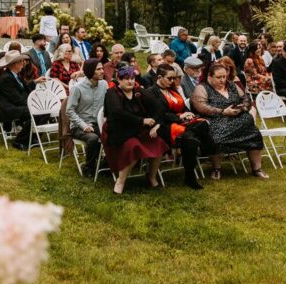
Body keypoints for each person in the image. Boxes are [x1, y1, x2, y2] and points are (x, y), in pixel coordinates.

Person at [142, 66, 216, 189]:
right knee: (191, 140)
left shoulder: (173, 90)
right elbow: (159, 114)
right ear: (159, 77)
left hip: (182, 122)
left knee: (202, 124)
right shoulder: (151, 92)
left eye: (174, 78)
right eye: (169, 78)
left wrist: (188, 114)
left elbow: (182, 106)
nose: (172, 81)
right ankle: (191, 175)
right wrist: (180, 117)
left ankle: (195, 142)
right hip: (164, 124)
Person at [191, 62, 268, 180]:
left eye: (224, 77)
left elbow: (245, 98)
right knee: (215, 139)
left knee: (254, 135)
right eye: (219, 77)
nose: (222, 80)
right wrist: (222, 111)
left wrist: (242, 107)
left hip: (238, 118)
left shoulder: (231, 85)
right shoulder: (202, 88)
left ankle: (257, 169)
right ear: (209, 76)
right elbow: (201, 107)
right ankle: (216, 169)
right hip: (216, 120)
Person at [102, 66, 169, 195]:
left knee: (158, 143)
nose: (130, 82)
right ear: (119, 80)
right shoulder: (112, 93)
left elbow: (159, 106)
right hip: (118, 130)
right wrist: (142, 121)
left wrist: (155, 123)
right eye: (126, 79)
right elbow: (117, 113)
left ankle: (151, 176)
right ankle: (120, 181)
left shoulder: (138, 91)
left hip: (138, 129)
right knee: (134, 146)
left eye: (132, 78)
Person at [65, 58, 107, 176]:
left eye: (102, 68)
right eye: (98, 69)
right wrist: (83, 126)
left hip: (98, 123)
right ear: (90, 71)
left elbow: (106, 105)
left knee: (116, 134)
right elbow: (70, 110)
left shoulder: (104, 84)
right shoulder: (77, 88)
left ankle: (106, 163)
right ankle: (89, 167)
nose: (102, 71)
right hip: (79, 125)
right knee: (93, 138)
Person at [0, 50, 41, 150]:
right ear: (14, 64)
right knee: (36, 112)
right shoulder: (6, 78)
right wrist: (32, 105)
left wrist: (35, 85)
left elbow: (25, 89)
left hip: (19, 105)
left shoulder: (16, 75)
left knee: (44, 112)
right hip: (10, 108)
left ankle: (32, 137)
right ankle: (19, 140)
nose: (23, 63)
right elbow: (16, 98)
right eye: (20, 61)